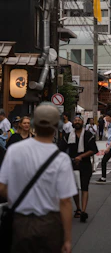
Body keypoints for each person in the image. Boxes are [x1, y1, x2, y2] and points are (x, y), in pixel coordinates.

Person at [0, 102, 77, 253]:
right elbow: (65, 202)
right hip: (50, 224)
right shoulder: (61, 159)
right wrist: (67, 239)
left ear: (34, 124)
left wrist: (18, 197)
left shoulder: (14, 150)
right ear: (56, 126)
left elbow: (2, 187)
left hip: (20, 221)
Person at [60, 115, 98, 222]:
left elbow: (93, 150)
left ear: (82, 123)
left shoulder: (88, 135)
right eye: (75, 120)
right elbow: (61, 149)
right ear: (73, 122)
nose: (77, 122)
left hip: (85, 164)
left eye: (79, 120)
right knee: (75, 187)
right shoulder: (67, 136)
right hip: (71, 164)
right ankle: (78, 208)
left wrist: (81, 156)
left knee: (84, 187)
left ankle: (84, 211)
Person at [96, 110, 111, 184]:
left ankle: (110, 177)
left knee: (107, 161)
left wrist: (109, 147)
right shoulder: (110, 125)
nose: (105, 118)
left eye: (107, 116)